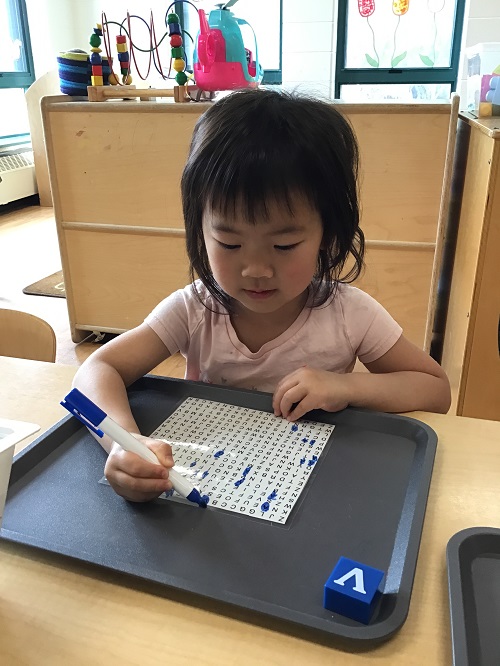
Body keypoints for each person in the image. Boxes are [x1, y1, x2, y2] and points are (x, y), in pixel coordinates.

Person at [73, 88, 451, 502]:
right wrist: (124, 444)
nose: (255, 270)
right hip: (212, 482)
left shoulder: (349, 314)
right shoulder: (195, 308)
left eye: (284, 246)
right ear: (200, 228)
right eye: (230, 244)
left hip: (314, 488)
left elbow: (434, 389)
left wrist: (346, 387)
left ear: (329, 235)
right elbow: (97, 371)